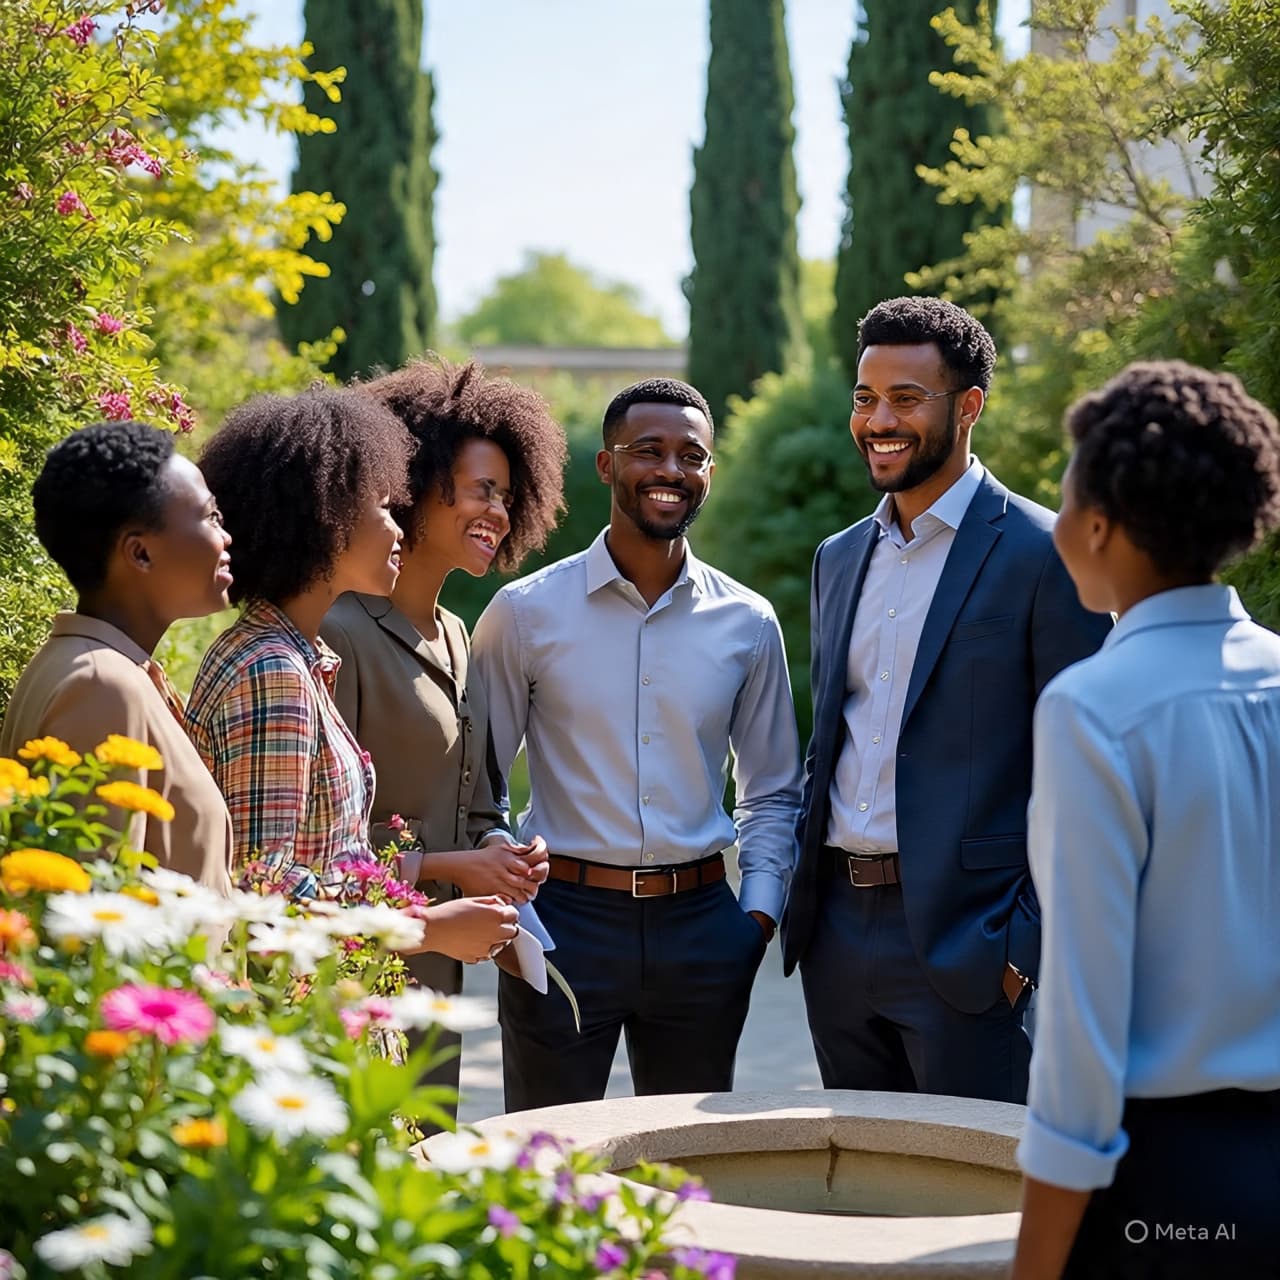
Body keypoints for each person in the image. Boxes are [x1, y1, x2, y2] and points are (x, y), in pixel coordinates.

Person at [783, 296, 1112, 1104]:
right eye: (865, 398)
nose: (878, 421)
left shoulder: (1047, 554)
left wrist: (1022, 949)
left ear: (968, 407)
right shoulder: (837, 558)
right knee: (860, 1172)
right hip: (836, 939)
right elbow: (831, 740)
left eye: (905, 399)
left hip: (973, 946)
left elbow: (1090, 773)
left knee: (971, 1181)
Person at [1011, 362, 1280, 1280]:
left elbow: (1080, 1036)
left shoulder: (1092, 708)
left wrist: (1035, 1265)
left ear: (1099, 523)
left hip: (1167, 1183)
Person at [472, 376, 803, 1112]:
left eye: (692, 455)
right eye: (648, 450)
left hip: (702, 928)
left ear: (709, 471)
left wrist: (756, 919)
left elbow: (775, 789)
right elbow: (478, 790)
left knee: (686, 1162)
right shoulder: (523, 614)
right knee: (546, 1156)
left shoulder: (749, 623)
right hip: (562, 922)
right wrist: (516, 923)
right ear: (607, 464)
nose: (671, 469)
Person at [184, 387, 517, 964]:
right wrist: (426, 929)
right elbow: (264, 891)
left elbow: (330, 862)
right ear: (326, 516)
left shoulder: (299, 657)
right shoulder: (272, 672)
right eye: (384, 506)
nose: (398, 527)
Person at [321, 357, 565, 1092]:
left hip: (440, 971)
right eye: (482, 490)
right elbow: (315, 839)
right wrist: (454, 868)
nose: (499, 512)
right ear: (415, 484)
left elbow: (474, 802)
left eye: (508, 497)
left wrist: (499, 850)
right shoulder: (339, 631)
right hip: (356, 965)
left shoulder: (461, 634)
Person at [0, 421, 234, 893]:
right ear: (140, 553)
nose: (225, 537)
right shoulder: (101, 684)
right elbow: (93, 911)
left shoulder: (108, 669)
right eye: (210, 517)